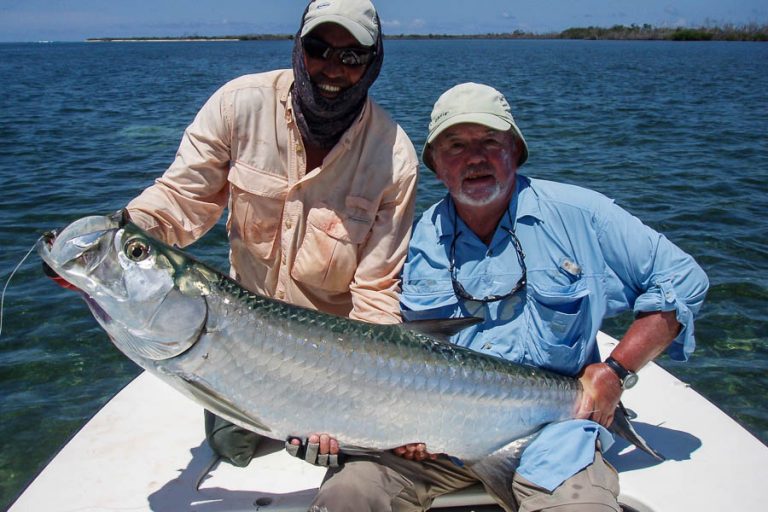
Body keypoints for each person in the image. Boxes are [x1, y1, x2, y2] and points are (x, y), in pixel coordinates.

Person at [305, 83, 709, 511]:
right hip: (433, 441)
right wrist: (386, 422)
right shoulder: (412, 238)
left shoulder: (580, 215)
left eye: (490, 142)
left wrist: (614, 373)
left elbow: (683, 280)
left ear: (514, 151)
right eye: (455, 146)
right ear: (437, 166)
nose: (474, 157)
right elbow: (387, 341)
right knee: (347, 496)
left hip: (555, 434)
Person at [125, 0, 418, 466]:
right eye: (318, 48)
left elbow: (377, 291)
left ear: (373, 63)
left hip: (335, 356)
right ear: (298, 48)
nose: (332, 67)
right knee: (231, 446)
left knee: (341, 454)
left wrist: (357, 395)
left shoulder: (394, 158)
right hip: (240, 339)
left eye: (351, 57)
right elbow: (181, 201)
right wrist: (125, 237)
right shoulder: (239, 106)